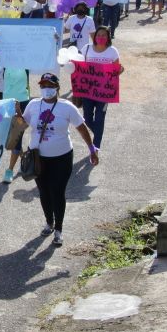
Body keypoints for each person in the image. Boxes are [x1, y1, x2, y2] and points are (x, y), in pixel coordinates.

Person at [21, 73, 99, 246]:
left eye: (49, 85)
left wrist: (92, 149)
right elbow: (22, 125)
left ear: (57, 88)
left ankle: (59, 229)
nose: (46, 89)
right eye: (43, 86)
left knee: (57, 192)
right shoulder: (33, 105)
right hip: (38, 158)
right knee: (44, 192)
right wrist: (16, 118)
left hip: (61, 158)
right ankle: (49, 222)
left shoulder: (67, 107)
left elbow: (82, 128)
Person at [0, 32, 30, 183]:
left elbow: (45, 56)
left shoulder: (27, 62)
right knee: (9, 135)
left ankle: (9, 170)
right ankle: (22, 154)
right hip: (7, 103)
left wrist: (54, 41)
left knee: (17, 136)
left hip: (23, 102)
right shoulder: (5, 62)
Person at [79, 27, 124, 150]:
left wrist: (120, 70)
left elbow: (117, 70)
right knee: (87, 118)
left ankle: (96, 146)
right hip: (88, 90)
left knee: (100, 117)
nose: (101, 37)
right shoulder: (86, 49)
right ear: (94, 36)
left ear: (108, 37)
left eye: (104, 35)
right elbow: (77, 67)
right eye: (99, 34)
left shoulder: (112, 51)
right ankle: (98, 133)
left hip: (104, 92)